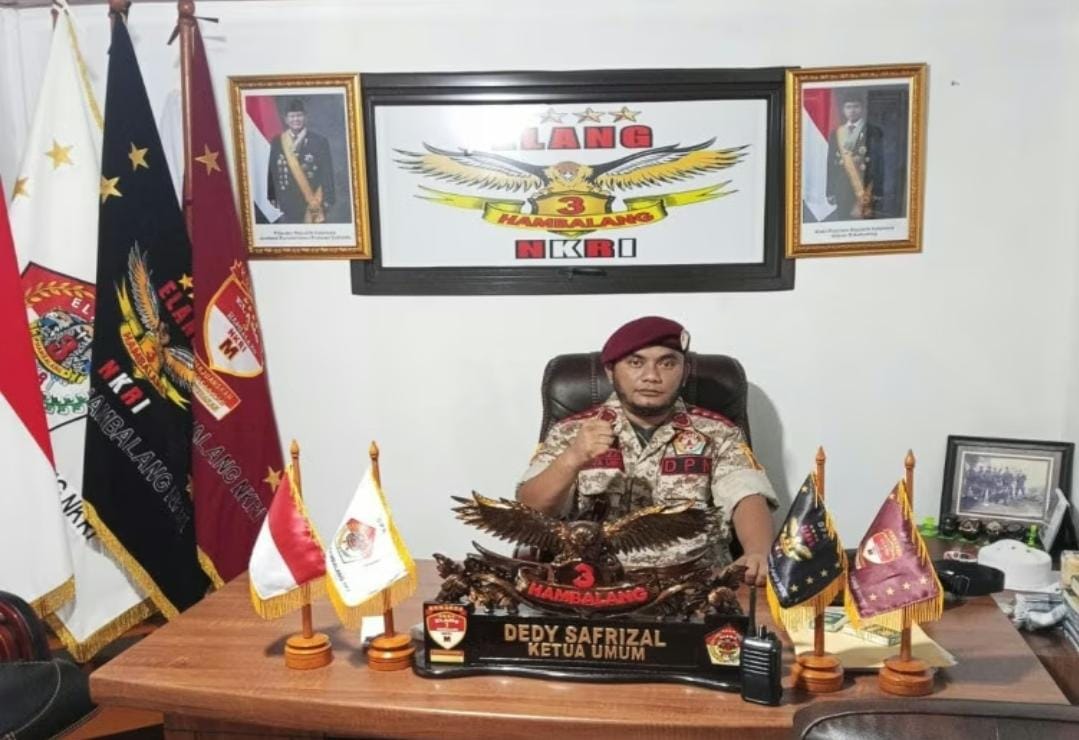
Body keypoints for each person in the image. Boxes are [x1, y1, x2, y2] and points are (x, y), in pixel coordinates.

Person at [517, 316, 777, 584]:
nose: (652, 376)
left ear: (685, 372)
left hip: (693, 586)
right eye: (636, 363)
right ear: (610, 371)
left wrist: (757, 551)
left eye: (667, 363)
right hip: (592, 585)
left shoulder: (717, 433)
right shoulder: (571, 432)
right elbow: (529, 512)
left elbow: (746, 496)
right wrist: (572, 459)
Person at [267, 98, 336, 224]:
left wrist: (328, 199)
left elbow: (327, 172)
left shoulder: (319, 141)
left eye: (299, 115)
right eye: (292, 116)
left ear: (305, 117)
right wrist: (272, 195)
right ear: (286, 119)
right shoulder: (277, 142)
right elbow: (272, 171)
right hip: (286, 202)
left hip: (313, 201)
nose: (296, 119)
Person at [826, 92, 884, 220]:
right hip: (841, 187)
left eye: (856, 106)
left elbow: (879, 162)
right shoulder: (836, 134)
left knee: (866, 225)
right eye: (848, 107)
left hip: (866, 187)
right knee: (842, 222)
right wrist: (830, 191)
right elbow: (830, 163)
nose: (852, 110)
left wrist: (878, 190)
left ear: (862, 109)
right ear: (843, 110)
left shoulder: (873, 131)